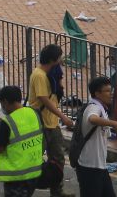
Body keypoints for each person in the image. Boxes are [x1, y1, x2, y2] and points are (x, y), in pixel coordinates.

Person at [72, 76, 117, 197]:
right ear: (97, 93)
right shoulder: (94, 107)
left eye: (111, 90)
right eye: (107, 91)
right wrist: (115, 123)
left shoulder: (102, 108)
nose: (111, 94)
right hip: (89, 168)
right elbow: (92, 118)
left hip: (100, 167)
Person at [28, 45, 71, 197]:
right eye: (59, 58)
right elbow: (44, 99)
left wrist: (59, 81)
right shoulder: (39, 75)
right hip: (41, 125)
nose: (61, 61)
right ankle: (27, 190)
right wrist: (63, 116)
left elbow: (54, 95)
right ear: (53, 59)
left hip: (52, 125)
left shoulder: (50, 74)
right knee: (34, 161)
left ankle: (57, 191)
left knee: (58, 159)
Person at [0, 85, 46, 197]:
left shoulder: (7, 122)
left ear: (5, 102)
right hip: (34, 171)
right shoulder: (35, 113)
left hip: (16, 176)